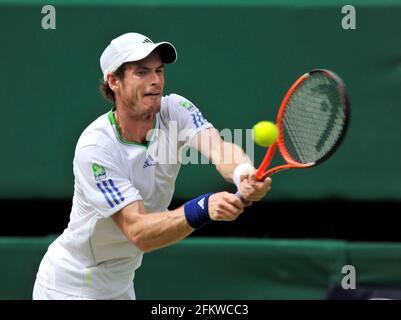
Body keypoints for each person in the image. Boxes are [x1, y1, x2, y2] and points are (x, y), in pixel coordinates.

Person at [32, 32, 272, 300]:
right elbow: (139, 232)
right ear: (114, 81)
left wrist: (243, 174)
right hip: (70, 287)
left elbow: (219, 148)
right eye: (142, 72)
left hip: (121, 286)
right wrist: (203, 208)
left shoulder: (176, 109)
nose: (156, 80)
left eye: (159, 70)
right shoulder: (96, 148)